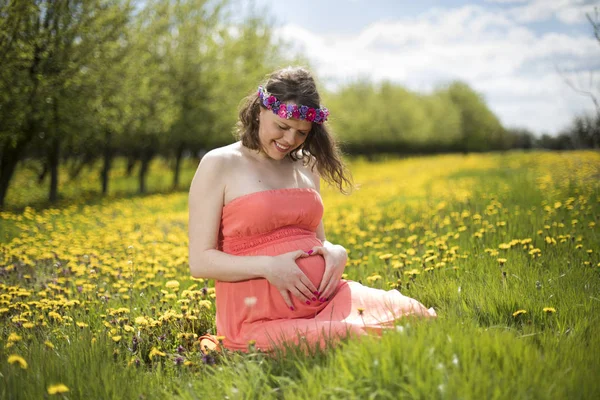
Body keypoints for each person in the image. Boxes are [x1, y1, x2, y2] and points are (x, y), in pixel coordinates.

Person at [188, 66, 436, 353]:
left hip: (327, 299)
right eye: (282, 127)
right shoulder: (220, 164)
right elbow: (200, 262)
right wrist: (268, 267)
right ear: (259, 111)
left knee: (414, 315)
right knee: (353, 336)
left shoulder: (308, 164)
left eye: (301, 133)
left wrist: (335, 251)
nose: (290, 140)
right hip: (256, 316)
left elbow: (317, 241)